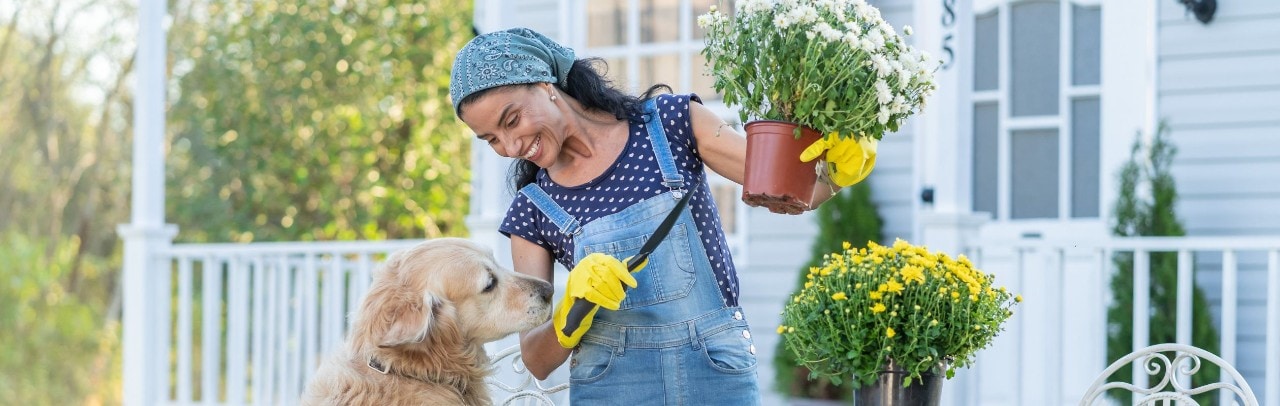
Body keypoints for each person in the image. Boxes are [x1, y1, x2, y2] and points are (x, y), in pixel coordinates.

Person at [449, 27, 874, 405]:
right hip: (611, 387)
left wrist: (837, 173)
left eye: (512, 119)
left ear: (545, 86)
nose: (509, 145)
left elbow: (792, 190)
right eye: (491, 140)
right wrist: (570, 309)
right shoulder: (533, 210)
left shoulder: (670, 123)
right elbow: (536, 360)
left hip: (716, 373)